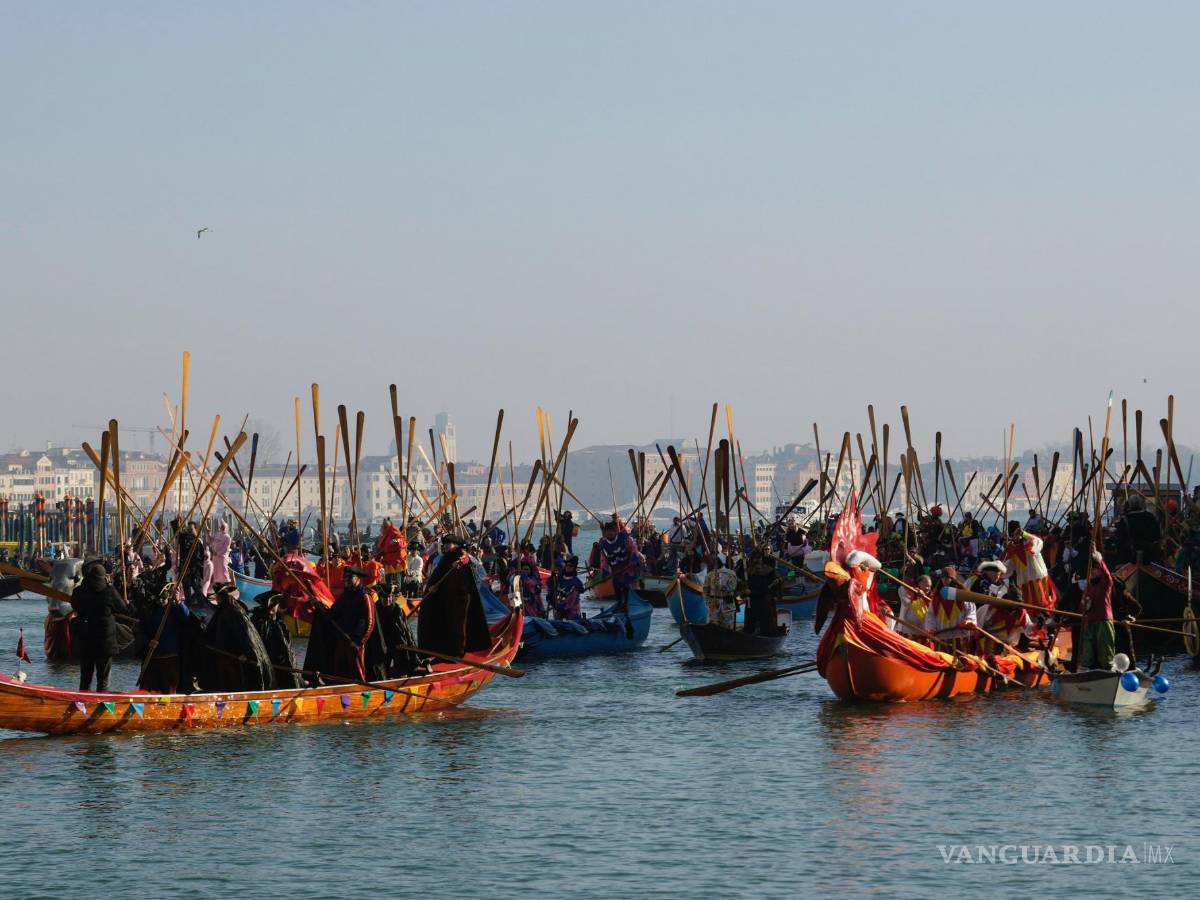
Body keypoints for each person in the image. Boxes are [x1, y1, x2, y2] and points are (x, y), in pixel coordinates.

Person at [417, 533, 491, 659]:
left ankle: (457, 652)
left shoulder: (461, 554)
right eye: (443, 544)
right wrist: (433, 587)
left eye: (447, 544)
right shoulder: (446, 558)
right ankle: (440, 649)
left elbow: (465, 559)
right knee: (442, 623)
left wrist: (459, 563)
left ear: (455, 545)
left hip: (460, 598)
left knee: (458, 625)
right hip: (445, 597)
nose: (444, 547)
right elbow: (438, 575)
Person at [204, 582, 275, 691]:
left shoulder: (233, 612)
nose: (216, 599)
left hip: (234, 659)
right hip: (223, 657)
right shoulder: (221, 612)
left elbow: (245, 635)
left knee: (235, 683)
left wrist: (246, 654)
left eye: (217, 597)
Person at [70, 561, 127, 691]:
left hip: (86, 640)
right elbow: (123, 609)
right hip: (105, 642)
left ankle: (82, 703)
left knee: (85, 678)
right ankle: (101, 705)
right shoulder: (108, 592)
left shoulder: (81, 592)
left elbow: (74, 603)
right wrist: (111, 587)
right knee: (103, 679)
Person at [138, 587, 191, 693]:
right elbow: (141, 632)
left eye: (164, 598)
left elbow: (186, 617)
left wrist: (179, 601)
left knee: (170, 690)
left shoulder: (174, 610)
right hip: (152, 658)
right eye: (159, 599)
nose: (162, 601)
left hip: (170, 657)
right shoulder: (150, 611)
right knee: (150, 689)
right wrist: (148, 642)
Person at [329, 567, 377, 682]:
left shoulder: (365, 596)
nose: (346, 580)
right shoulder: (345, 595)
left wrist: (359, 642)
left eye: (350, 577)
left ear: (358, 579)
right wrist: (318, 604)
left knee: (357, 670)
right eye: (345, 577)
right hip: (343, 638)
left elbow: (369, 622)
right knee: (339, 670)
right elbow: (333, 613)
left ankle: (361, 693)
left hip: (356, 642)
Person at [250, 591, 301, 689]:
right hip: (272, 665)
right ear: (273, 606)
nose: (278, 607)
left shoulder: (257, 620)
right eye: (277, 604)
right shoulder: (267, 624)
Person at [1078, 548, 1116, 670]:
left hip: (1103, 620)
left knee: (1106, 649)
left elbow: (1107, 575)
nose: (1093, 572)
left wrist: (1099, 559)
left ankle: (1108, 669)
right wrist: (1084, 604)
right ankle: (1085, 670)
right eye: (1091, 569)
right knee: (1087, 651)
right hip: (1089, 621)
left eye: (1096, 569)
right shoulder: (1088, 587)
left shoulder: (1105, 583)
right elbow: (1082, 608)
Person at [744, 550, 782, 635]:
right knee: (750, 621)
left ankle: (765, 633)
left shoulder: (769, 570)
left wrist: (777, 582)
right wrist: (745, 591)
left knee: (766, 622)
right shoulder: (748, 571)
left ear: (761, 559)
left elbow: (775, 584)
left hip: (764, 600)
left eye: (758, 558)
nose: (756, 560)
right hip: (751, 600)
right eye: (754, 558)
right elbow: (743, 584)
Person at [702, 554, 738, 628]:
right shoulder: (710, 574)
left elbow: (733, 588)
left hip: (727, 602)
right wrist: (708, 602)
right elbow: (705, 590)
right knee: (713, 625)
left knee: (727, 625)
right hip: (714, 602)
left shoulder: (731, 573)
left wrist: (721, 587)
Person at [376, 517, 407, 588]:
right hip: (387, 559)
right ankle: (389, 593)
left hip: (396, 558)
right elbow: (383, 548)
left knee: (397, 579)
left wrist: (396, 541)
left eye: (385, 524)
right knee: (388, 580)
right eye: (384, 524)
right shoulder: (384, 533)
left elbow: (402, 539)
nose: (384, 526)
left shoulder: (394, 530)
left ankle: (398, 593)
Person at [552, 557, 585, 621]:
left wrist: (563, 607)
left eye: (570, 566)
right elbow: (554, 589)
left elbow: (573, 597)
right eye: (567, 565)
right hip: (559, 606)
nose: (568, 567)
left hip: (572, 609)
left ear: (574, 568)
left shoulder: (576, 581)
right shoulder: (559, 578)